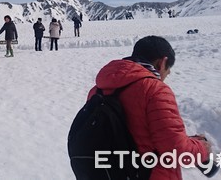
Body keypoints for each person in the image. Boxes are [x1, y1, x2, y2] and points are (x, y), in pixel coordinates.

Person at [85, 36, 212, 180]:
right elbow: (175, 151)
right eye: (168, 70)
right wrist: (202, 148)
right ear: (162, 63)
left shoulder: (97, 90)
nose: (166, 75)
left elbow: (130, 133)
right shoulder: (155, 90)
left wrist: (183, 140)